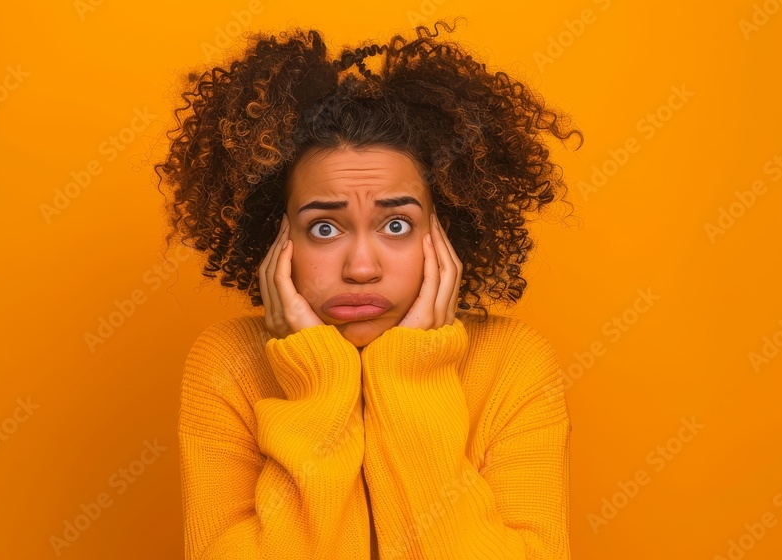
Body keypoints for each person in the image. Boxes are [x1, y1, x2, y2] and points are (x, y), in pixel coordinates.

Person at [155, 18, 582, 559]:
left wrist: (411, 373)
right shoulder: (229, 365)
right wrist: (319, 382)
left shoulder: (513, 364)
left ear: (443, 230)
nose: (360, 268)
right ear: (275, 236)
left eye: (396, 224)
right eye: (324, 228)